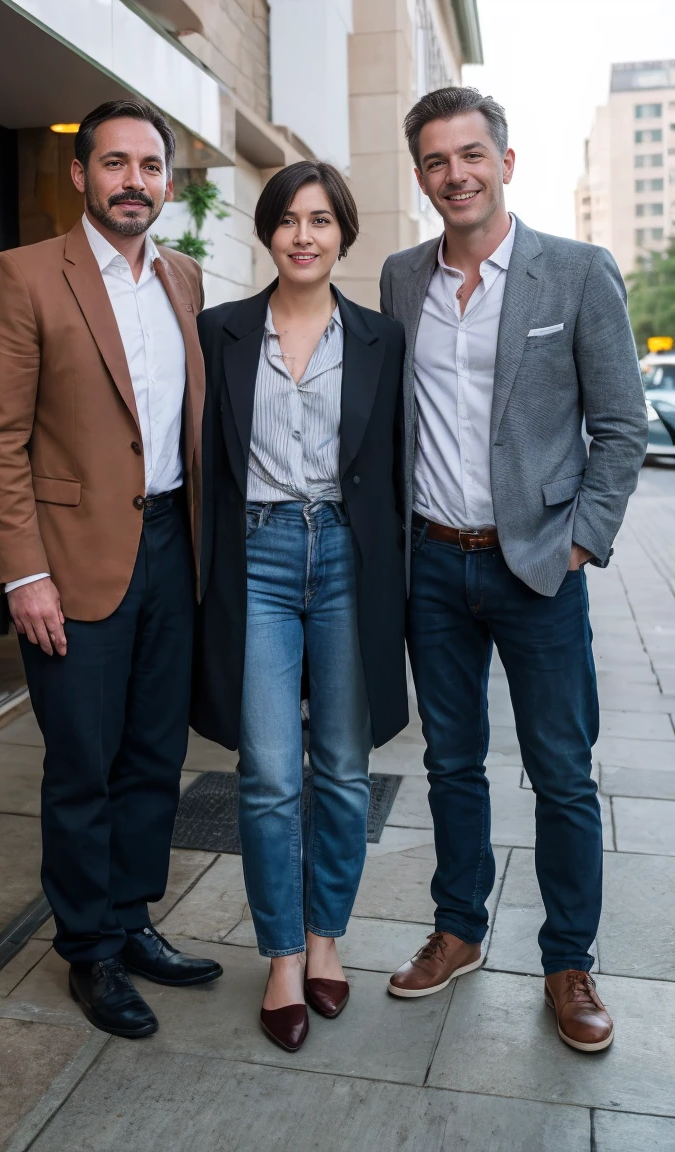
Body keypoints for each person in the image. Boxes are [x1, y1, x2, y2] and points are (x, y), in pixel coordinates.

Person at [380, 87, 648, 1052]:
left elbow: (621, 426)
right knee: (450, 764)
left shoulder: (574, 272)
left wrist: (579, 541)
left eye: (471, 155)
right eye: (437, 161)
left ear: (505, 160)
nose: (456, 174)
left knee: (561, 774)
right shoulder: (400, 278)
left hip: (536, 571)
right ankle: (460, 931)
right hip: (433, 570)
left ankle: (568, 961)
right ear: (420, 176)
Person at [0, 99, 222, 1041]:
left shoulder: (184, 279)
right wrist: (22, 573)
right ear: (82, 175)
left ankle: (132, 917)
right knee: (83, 764)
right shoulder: (24, 276)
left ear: (167, 181)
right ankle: (90, 951)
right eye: (114, 164)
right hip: (71, 560)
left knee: (156, 755)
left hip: (170, 548)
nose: (134, 182)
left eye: (150, 166)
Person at [192, 162, 408, 1052]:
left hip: (351, 564)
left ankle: (327, 944)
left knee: (346, 773)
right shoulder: (220, 332)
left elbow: (395, 465)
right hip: (260, 558)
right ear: (268, 233)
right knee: (272, 774)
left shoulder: (382, 338)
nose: (304, 235)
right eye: (288, 219)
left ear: (343, 234)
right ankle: (282, 955)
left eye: (321, 220)